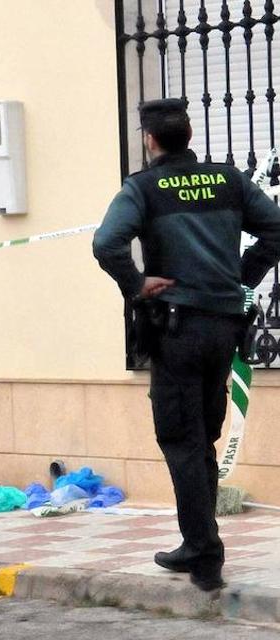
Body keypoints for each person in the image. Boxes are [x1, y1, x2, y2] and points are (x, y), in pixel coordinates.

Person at [93, 99, 280, 591]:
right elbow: (275, 228)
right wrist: (241, 275)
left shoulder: (143, 187)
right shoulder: (229, 180)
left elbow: (106, 243)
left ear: (150, 140)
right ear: (189, 133)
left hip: (176, 330)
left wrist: (136, 284)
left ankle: (202, 552)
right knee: (202, 437)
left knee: (181, 438)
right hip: (223, 327)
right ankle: (201, 543)